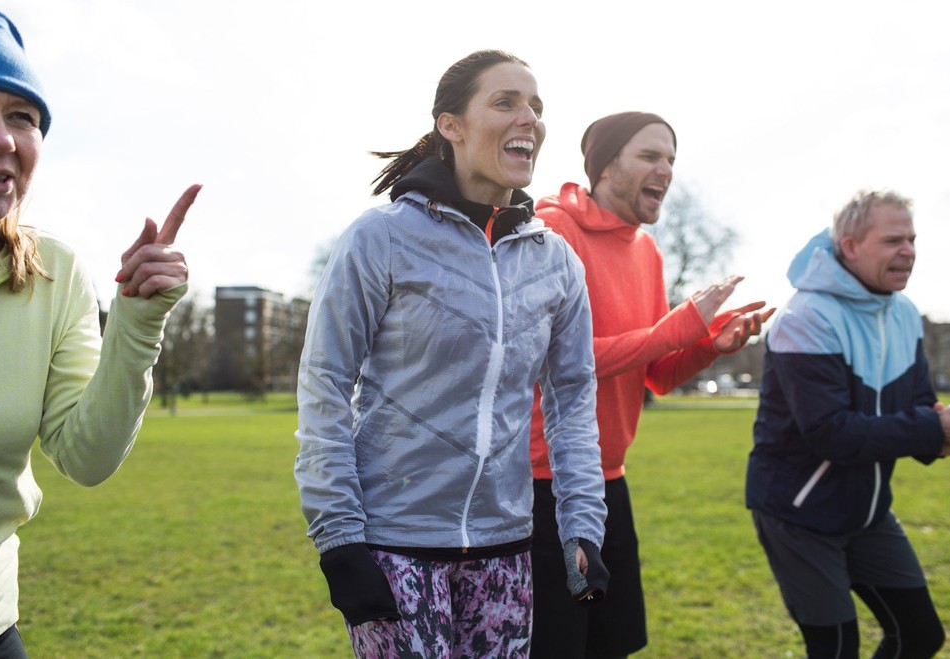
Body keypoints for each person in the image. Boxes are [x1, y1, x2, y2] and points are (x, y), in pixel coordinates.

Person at [294, 50, 608, 657]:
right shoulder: (380, 238)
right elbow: (325, 384)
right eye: (506, 102)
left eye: (537, 107)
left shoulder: (557, 261)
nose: (529, 119)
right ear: (451, 125)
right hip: (394, 545)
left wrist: (582, 528)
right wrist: (340, 541)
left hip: (506, 547)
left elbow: (572, 404)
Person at [0, 5, 199, 656]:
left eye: (22, 117)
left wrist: (136, 318)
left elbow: (88, 454)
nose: (2, 138)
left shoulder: (55, 270)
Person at [528, 111, 774, 658]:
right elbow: (554, 360)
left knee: (614, 643)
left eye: (670, 160)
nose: (665, 169)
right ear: (605, 166)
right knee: (558, 646)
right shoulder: (552, 232)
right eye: (649, 156)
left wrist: (709, 343)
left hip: (611, 479)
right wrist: (677, 328)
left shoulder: (648, 250)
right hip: (546, 484)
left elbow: (657, 375)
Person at [746, 189, 950, 658]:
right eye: (892, 240)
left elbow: (920, 406)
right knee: (838, 648)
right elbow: (830, 433)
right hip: (799, 513)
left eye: (911, 239)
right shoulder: (805, 317)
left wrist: (947, 432)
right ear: (850, 246)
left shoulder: (905, 313)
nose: (908, 250)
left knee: (921, 635)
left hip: (867, 510)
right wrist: (935, 429)